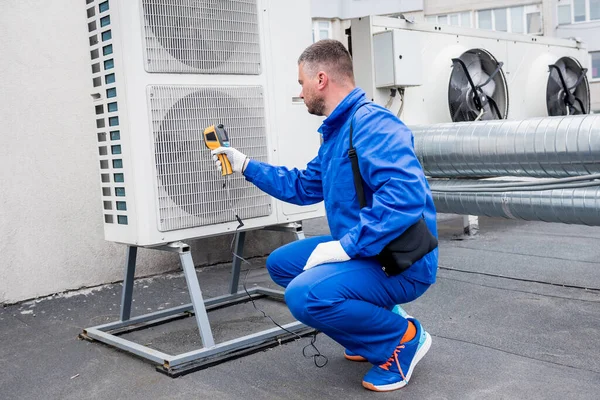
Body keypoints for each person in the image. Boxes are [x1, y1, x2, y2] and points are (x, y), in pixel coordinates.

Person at [211, 39, 438, 392]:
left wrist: (345, 248)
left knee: (305, 295)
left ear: (320, 79)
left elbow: (405, 198)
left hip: (402, 262)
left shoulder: (372, 124)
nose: (300, 93)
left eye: (301, 83)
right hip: (369, 251)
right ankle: (373, 329)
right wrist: (246, 166)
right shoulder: (338, 132)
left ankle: (401, 340)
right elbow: (302, 186)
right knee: (283, 264)